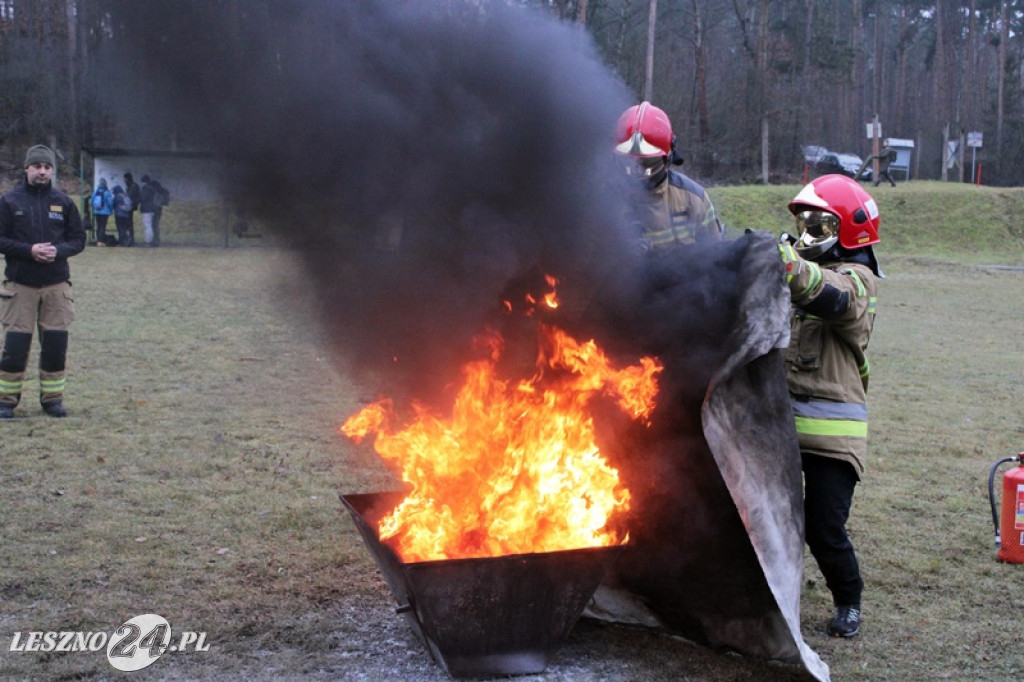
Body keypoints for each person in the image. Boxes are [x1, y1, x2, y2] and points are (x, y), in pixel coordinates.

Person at [778, 174, 882, 639]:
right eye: (803, 223)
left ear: (849, 232)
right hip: (778, 426)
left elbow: (832, 297)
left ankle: (849, 600)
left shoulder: (860, 282)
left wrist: (787, 265)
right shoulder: (794, 266)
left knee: (822, 527)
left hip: (832, 437)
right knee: (765, 515)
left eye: (818, 225)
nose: (805, 235)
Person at [0, 144, 86, 418]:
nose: (42, 171)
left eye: (47, 167)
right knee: (15, 348)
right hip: (20, 286)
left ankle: (52, 400)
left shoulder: (64, 202)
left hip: (56, 286)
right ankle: (5, 401)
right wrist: (29, 250)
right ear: (27, 168)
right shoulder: (9, 201)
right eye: (37, 166)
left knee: (55, 345)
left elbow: (78, 240)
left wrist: (58, 251)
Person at [612, 101, 722, 250]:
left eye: (647, 163)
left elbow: (716, 257)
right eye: (628, 164)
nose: (637, 173)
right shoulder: (604, 203)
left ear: (668, 157)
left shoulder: (693, 198)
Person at [91, 178, 114, 246]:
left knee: (98, 226)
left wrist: (94, 208)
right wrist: (111, 210)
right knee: (102, 227)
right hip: (105, 212)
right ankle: (101, 241)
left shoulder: (95, 192)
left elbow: (92, 201)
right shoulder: (107, 193)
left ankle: (98, 240)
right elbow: (110, 203)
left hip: (97, 212)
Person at [123, 172, 140, 246]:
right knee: (129, 223)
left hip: (130, 207)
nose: (123, 180)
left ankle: (131, 240)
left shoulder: (132, 186)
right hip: (130, 206)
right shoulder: (132, 186)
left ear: (127, 179)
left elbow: (129, 196)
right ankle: (130, 239)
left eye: (124, 178)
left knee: (129, 224)